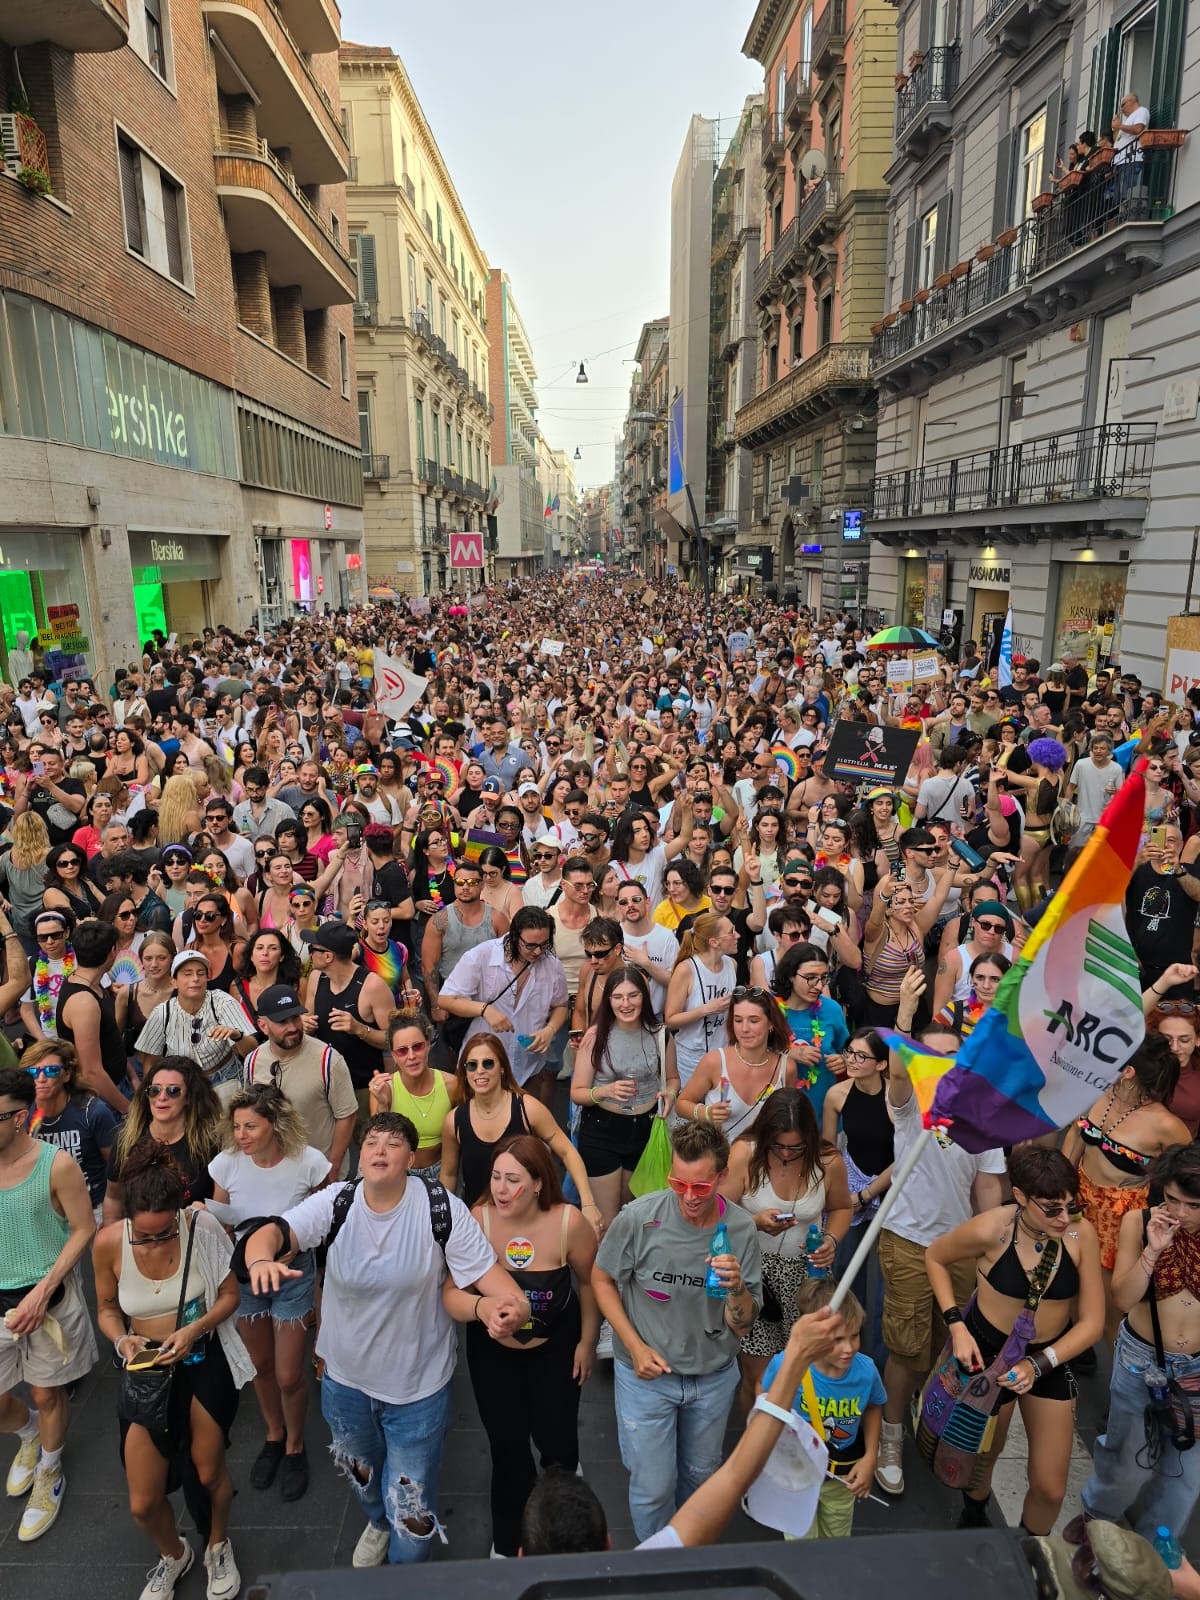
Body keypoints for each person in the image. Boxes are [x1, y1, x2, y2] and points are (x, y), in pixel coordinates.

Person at [238, 1111, 529, 1567]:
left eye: (393, 1144)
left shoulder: (440, 1208)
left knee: (412, 1518)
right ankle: (376, 1519)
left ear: (410, 1158)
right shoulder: (337, 1202)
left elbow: (495, 1283)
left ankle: (402, 1571)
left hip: (417, 1391)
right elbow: (272, 1232)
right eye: (372, 1141)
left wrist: (514, 1306)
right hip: (345, 1385)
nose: (379, 1150)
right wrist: (260, 1263)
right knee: (362, 1474)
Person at [518, 1302, 846, 1553]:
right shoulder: (647, 1565)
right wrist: (796, 1356)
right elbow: (734, 1477)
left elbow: (735, 1478)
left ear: (520, 1556)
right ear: (608, 1544)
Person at [591, 1119, 763, 1543]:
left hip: (713, 1376)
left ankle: (690, 1559)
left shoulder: (740, 1231)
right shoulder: (639, 1218)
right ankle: (657, 1564)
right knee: (652, 1488)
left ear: (722, 1177)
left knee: (702, 1478)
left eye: (701, 1188)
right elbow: (601, 1278)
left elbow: (743, 1324)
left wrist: (737, 1287)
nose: (688, 1197)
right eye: (677, 1184)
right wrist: (631, 1345)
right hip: (646, 1378)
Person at [93, 1145, 252, 1600]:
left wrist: (195, 1328)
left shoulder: (200, 1227)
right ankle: (173, 1553)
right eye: (143, 1235)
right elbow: (106, 1307)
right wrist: (121, 1339)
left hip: (202, 1359)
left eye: (164, 1233)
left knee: (208, 1471)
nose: (154, 1242)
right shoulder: (109, 1243)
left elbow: (229, 1294)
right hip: (146, 1371)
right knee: (142, 1501)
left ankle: (218, 1543)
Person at [874, 969, 1006, 1496]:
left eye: (951, 1057)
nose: (941, 1067)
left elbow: (990, 1192)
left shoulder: (981, 1118)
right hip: (907, 1242)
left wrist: (990, 1256)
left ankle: (925, 1418)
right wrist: (904, 1018)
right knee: (907, 1351)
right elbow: (900, 1078)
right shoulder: (909, 1109)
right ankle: (889, 1436)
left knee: (947, 1347)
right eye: (930, 1057)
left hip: (960, 1251)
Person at [925, 1146, 1104, 1533]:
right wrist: (956, 1325)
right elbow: (936, 1257)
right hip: (988, 1352)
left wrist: (1041, 1363)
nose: (1063, 1217)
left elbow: (1092, 1323)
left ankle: (1031, 1550)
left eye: (1071, 1206)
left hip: (1051, 1359)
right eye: (1051, 1208)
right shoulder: (994, 1228)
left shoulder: (1079, 1234)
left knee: (1051, 1487)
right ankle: (975, 1513)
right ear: (1020, 1197)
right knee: (983, 1456)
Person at [448, 1136, 598, 1558]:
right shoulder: (477, 1220)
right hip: (495, 1357)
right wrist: (483, 1307)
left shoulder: (569, 1222)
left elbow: (589, 1282)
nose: (500, 1188)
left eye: (513, 1179)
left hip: (555, 1350)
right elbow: (450, 1295)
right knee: (508, 1451)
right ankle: (507, 1542)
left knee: (559, 1447)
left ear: (537, 1183)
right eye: (496, 1177)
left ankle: (564, 1529)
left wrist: (587, 1342)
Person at [207, 1084, 332, 1502]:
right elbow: (225, 1221)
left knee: (289, 1373)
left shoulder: (309, 1163)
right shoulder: (226, 1165)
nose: (241, 1135)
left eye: (250, 1126)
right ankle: (274, 1435)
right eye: (237, 1126)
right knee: (259, 1365)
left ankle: (295, 1444)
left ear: (274, 1124)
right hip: (245, 1274)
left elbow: (324, 1216)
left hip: (293, 1271)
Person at [1082, 1143, 1200, 1541]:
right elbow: (1122, 1298)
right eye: (1172, 1200)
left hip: (1197, 1370)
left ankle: (1155, 1559)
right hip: (1143, 1359)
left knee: (1183, 1480)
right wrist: (1152, 1252)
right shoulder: (1141, 1221)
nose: (1180, 1213)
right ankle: (1094, 1532)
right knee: (1128, 1466)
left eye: (1193, 1205)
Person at [0, 1066, 97, 1543]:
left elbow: (84, 1228)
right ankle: (29, 1435)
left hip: (48, 1300)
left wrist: (43, 1289)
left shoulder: (55, 1164)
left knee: (46, 1392)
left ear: (19, 1117)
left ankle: (50, 1471)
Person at [719, 1086, 851, 1411]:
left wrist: (831, 1240)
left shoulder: (827, 1161)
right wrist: (755, 1221)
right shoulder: (745, 1154)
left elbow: (841, 1208)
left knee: (807, 1369)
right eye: (778, 1146)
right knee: (761, 1379)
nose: (788, 1153)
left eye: (796, 1147)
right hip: (755, 1275)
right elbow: (717, 1213)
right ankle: (758, 1445)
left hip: (808, 1276)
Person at [1065, 1035, 1191, 1343]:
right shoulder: (1098, 1091)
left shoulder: (1165, 1124)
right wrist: (1061, 1183)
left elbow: (1188, 1177)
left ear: (1129, 1071)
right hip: (1077, 1202)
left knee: (1108, 1304)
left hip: (1119, 1220)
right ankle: (1073, 1348)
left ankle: (1116, 1373)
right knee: (1067, 1278)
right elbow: (1077, 1131)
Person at [760, 1276, 884, 1539]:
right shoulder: (788, 1364)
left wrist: (870, 1456)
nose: (848, 1348)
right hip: (796, 1474)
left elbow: (874, 1406)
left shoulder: (866, 1371)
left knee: (837, 1540)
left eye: (855, 1336)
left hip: (841, 1478)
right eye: (837, 1339)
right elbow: (764, 1397)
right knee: (801, 1540)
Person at [441, 1034, 600, 1226]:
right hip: (479, 1224)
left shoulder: (527, 1109)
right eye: (472, 1065)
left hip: (527, 1220)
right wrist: (445, 1218)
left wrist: (589, 1204)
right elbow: (449, 1175)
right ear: (465, 1072)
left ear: (502, 1068)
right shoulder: (454, 1121)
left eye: (488, 1063)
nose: (480, 1071)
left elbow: (567, 1152)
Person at [439, 907, 570, 1092]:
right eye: (531, 945)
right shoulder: (481, 956)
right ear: (514, 936)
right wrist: (485, 1010)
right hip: (482, 1069)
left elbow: (561, 1005)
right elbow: (445, 1000)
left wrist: (550, 1030)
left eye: (545, 944)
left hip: (528, 1067)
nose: (538, 952)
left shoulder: (552, 965)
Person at [241, 985, 358, 1179]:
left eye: (295, 1018)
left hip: (318, 1176)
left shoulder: (329, 1060)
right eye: (282, 1022)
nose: (293, 1028)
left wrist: (333, 1168)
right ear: (263, 1025)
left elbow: (347, 1115)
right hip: (274, 1175)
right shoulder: (252, 1062)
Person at [301, 921, 395, 1137]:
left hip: (363, 1086)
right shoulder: (316, 978)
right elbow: (308, 1015)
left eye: (312, 949)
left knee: (368, 1144)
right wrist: (305, 1024)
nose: (309, 955)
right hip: (324, 1083)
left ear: (328, 956)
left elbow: (395, 1039)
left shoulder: (372, 986)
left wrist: (360, 1029)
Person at [104, 1057, 223, 1221]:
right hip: (139, 1239)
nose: (161, 1097)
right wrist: (113, 1238)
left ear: (189, 1097)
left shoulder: (210, 1143)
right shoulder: (126, 1140)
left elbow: (223, 1209)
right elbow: (113, 1198)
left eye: (173, 1090)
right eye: (155, 1090)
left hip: (192, 1237)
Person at [135, 949, 256, 1103]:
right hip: (182, 1085)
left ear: (207, 978)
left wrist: (236, 1035)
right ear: (174, 982)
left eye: (200, 973)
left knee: (226, 1126)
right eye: (187, 973)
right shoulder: (162, 1013)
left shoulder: (222, 1002)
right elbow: (150, 1061)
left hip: (225, 1079)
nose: (195, 978)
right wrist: (153, 1096)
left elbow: (251, 1051)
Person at [677, 984, 797, 1137]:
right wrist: (705, 1112)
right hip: (720, 1157)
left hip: (764, 1158)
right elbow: (681, 1104)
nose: (744, 1028)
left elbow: (790, 1119)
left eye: (754, 1021)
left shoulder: (786, 1068)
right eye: (738, 1020)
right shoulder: (714, 1062)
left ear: (770, 1023)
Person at [20, 1036, 119, 1222]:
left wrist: (112, 1217)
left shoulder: (93, 1112)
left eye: (51, 1071)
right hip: (46, 1211)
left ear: (67, 1074)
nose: (41, 1078)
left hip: (93, 1209)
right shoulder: (21, 1114)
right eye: (33, 1071)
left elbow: (117, 1167)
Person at [368, 1011, 457, 1178]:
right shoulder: (385, 1090)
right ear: (393, 1056)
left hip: (441, 1169)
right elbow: (379, 1142)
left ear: (429, 1045)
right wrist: (382, 1103)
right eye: (402, 1051)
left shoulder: (451, 1085)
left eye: (417, 1046)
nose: (411, 1056)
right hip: (398, 1172)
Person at [54, 917, 129, 1113]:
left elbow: (110, 1038)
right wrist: (128, 1109)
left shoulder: (95, 983)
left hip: (120, 1082)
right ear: (112, 952)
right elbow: (91, 1072)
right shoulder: (84, 1002)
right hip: (105, 1098)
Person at [663, 913, 738, 1090]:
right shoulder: (686, 970)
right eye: (732, 932)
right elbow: (670, 1019)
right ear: (714, 942)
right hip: (692, 1058)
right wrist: (705, 1010)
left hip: (723, 1054)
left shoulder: (731, 965)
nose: (737, 935)